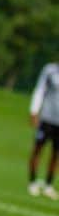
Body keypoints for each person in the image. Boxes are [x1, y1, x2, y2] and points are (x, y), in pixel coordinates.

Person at [28, 62, 59, 199]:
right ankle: (32, 182)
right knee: (37, 149)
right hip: (46, 118)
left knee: (56, 154)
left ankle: (48, 185)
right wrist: (34, 111)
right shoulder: (50, 70)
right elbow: (40, 90)